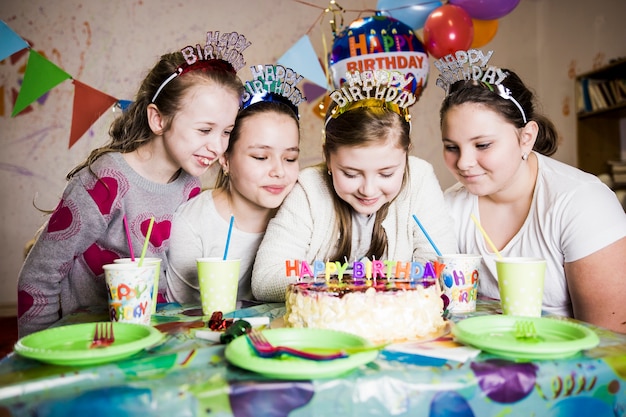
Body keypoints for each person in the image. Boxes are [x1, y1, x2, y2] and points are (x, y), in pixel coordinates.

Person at [17, 37, 247, 337]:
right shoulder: (106, 181)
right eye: (205, 129)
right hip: (85, 341)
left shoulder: (189, 184)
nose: (217, 147)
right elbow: (37, 278)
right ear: (158, 119)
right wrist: (39, 355)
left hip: (148, 340)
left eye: (226, 132)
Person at [439, 65, 626, 333]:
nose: (464, 163)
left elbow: (611, 342)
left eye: (482, 145)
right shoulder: (450, 206)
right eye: (451, 147)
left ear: (526, 138)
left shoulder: (583, 203)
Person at [251, 74, 458, 302]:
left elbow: (442, 270)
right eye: (350, 174)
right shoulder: (309, 188)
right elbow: (265, 280)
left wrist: (333, 283)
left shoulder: (419, 178)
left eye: (386, 173)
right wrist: (357, 286)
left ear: (406, 156)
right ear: (328, 159)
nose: (368, 190)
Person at [166, 70, 303, 305]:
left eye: (290, 159)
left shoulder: (304, 216)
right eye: (260, 157)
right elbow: (181, 317)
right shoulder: (192, 223)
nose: (279, 171)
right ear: (225, 158)